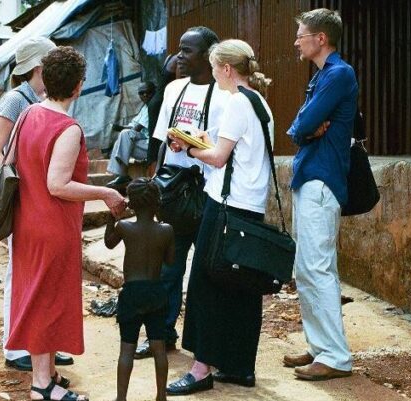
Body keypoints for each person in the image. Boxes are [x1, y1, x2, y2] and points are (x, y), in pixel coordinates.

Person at [6, 46, 126, 401]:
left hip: (26, 221)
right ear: (78, 87)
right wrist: (105, 194)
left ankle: (49, 374)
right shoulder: (67, 127)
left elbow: (11, 162)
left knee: (38, 296)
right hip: (53, 226)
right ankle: (42, 386)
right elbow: (58, 185)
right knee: (47, 301)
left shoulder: (28, 114)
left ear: (44, 79)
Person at [165, 39, 273, 395]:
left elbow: (217, 158)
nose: (212, 75)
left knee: (205, 285)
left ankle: (200, 369)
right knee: (242, 287)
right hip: (251, 206)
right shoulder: (260, 103)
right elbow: (236, 150)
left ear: (227, 69)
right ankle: (239, 365)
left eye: (214, 68)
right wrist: (202, 141)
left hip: (225, 204)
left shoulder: (237, 103)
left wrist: (190, 147)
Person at [133, 26, 230, 360]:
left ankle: (206, 346)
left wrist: (192, 145)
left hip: (208, 193)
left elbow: (225, 148)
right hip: (173, 193)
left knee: (205, 273)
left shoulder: (225, 94)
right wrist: (154, 184)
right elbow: (160, 142)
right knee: (166, 270)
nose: (179, 57)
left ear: (208, 55)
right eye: (179, 49)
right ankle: (162, 334)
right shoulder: (174, 89)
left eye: (188, 51)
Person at [0, 37, 75, 372]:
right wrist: (20, 188)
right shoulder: (15, 100)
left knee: (44, 281)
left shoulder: (43, 100)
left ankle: (43, 345)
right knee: (18, 276)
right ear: (40, 67)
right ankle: (16, 346)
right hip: (26, 201)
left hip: (43, 203)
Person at [283, 8, 357, 381]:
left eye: (301, 35)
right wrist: (303, 129)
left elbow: (304, 124)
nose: (296, 41)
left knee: (318, 267)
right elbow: (300, 126)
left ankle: (335, 355)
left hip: (323, 179)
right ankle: (319, 346)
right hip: (312, 177)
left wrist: (304, 129)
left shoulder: (339, 74)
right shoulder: (324, 76)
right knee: (306, 267)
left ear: (320, 38)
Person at [104, 178, 175, 401]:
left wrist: (112, 217)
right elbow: (171, 261)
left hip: (132, 293)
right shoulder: (166, 230)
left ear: (131, 204)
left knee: (127, 349)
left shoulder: (124, 227)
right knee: (158, 347)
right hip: (156, 292)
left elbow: (108, 243)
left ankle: (121, 398)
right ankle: (161, 396)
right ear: (157, 202)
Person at [105, 82, 156, 191]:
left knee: (124, 134)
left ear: (154, 92)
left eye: (148, 93)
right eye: (142, 93)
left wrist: (118, 128)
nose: (145, 95)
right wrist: (119, 127)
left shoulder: (154, 106)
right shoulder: (144, 108)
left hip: (152, 148)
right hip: (143, 145)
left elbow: (136, 128)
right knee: (124, 136)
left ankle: (121, 175)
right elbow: (132, 126)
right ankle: (121, 175)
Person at [146, 54, 180, 175]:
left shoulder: (169, 57)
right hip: (161, 103)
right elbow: (179, 83)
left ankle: (153, 177)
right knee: (158, 143)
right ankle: (155, 177)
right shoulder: (178, 59)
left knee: (154, 143)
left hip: (156, 102)